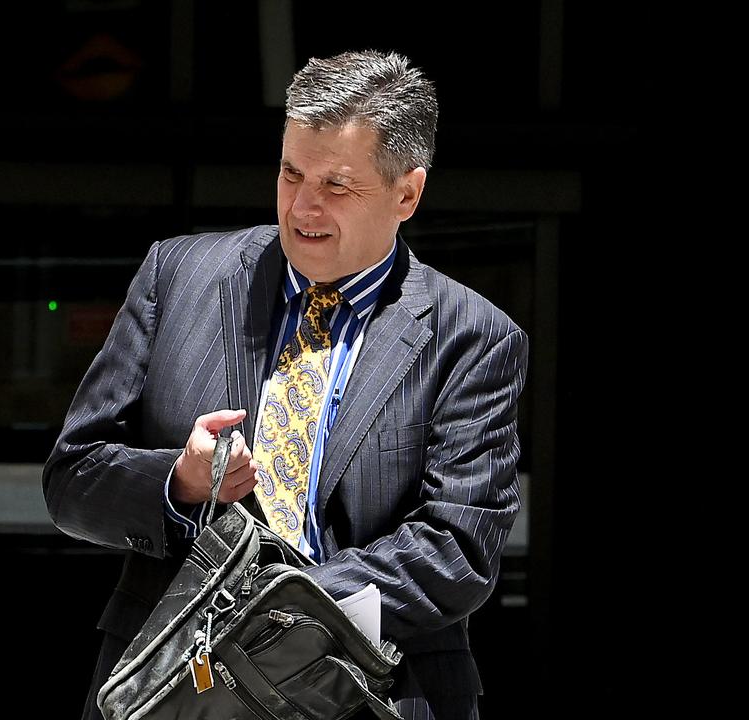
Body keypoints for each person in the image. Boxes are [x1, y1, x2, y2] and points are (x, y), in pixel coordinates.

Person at [44, 50, 527, 720]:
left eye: (336, 186)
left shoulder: (471, 337)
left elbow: (458, 549)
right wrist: (178, 483)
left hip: (373, 689)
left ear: (407, 193)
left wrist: (275, 613)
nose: (303, 206)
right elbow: (72, 481)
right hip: (177, 688)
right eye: (291, 172)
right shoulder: (179, 276)